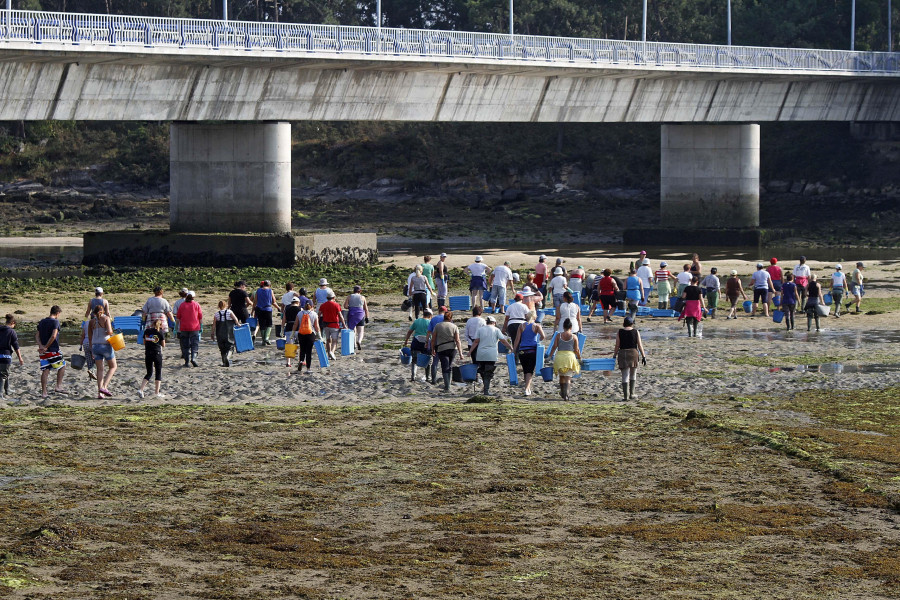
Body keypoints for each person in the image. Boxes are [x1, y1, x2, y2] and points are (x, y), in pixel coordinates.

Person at [469, 315, 512, 396]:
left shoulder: (480, 330)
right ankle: (486, 390)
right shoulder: (496, 330)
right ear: (494, 323)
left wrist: (470, 351)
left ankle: (485, 387)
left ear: (486, 322)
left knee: (482, 370)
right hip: (491, 354)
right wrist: (510, 347)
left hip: (481, 353)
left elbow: (476, 342)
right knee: (488, 372)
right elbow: (503, 341)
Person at [613, 317, 646, 401]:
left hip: (623, 353)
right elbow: (640, 345)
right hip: (633, 353)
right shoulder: (636, 332)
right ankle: (632, 393)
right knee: (633, 373)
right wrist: (643, 356)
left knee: (625, 375)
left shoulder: (619, 332)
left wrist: (614, 355)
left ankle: (625, 396)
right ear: (632, 323)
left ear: (624, 323)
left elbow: (617, 345)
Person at [513, 311, 545, 397]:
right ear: (535, 317)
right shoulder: (537, 326)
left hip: (522, 351)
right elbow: (543, 336)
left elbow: (517, 340)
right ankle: (526, 389)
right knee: (529, 371)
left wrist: (514, 350)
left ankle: (528, 388)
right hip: (532, 350)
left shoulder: (521, 326)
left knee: (525, 370)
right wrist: (538, 340)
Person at [36, 305, 66, 398]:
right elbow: (53, 336)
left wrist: (41, 346)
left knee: (45, 370)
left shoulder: (42, 322)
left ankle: (44, 392)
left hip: (43, 351)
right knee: (62, 366)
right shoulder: (55, 322)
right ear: (57, 313)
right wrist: (46, 347)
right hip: (52, 349)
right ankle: (58, 386)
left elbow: (37, 335)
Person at [548, 318, 581, 400]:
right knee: (568, 377)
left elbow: (554, 347)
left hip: (560, 356)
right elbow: (576, 349)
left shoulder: (558, 335)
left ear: (563, 327)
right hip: (569, 357)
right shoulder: (574, 336)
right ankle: (566, 394)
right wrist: (579, 358)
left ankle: (563, 393)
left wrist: (550, 356)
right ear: (571, 327)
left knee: (561, 376)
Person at [431, 310, 464, 392]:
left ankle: (447, 386)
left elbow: (433, 340)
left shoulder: (438, 326)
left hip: (442, 348)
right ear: (451, 318)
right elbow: (457, 340)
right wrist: (460, 353)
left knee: (445, 366)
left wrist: (432, 349)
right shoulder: (454, 326)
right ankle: (448, 384)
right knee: (449, 365)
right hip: (453, 348)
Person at [87, 304, 115, 399]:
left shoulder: (91, 322)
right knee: (113, 366)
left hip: (95, 345)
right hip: (105, 344)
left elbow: (90, 337)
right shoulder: (106, 318)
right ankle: (104, 387)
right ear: (102, 311)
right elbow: (110, 331)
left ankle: (100, 393)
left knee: (100, 369)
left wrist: (91, 349)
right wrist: (109, 332)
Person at [138, 317, 166, 398]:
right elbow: (163, 345)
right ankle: (157, 392)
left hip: (148, 353)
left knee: (149, 372)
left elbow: (144, 342)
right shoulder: (160, 332)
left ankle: (141, 389)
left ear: (153, 324)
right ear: (160, 325)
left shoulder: (147, 331)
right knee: (158, 372)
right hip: (157, 353)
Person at [404, 307, 432, 382]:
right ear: (430, 315)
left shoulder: (417, 321)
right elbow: (432, 335)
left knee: (414, 360)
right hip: (426, 342)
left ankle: (413, 376)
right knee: (428, 360)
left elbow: (410, 331)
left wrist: (406, 340)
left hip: (416, 342)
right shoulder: (430, 323)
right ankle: (427, 377)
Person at [292, 300, 321, 374]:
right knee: (309, 351)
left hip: (301, 333)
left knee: (302, 349)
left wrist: (293, 333)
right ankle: (308, 368)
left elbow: (296, 324)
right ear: (311, 306)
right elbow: (316, 326)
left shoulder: (300, 313)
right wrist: (319, 335)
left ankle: (301, 361)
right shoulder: (314, 314)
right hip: (310, 334)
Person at [0, 314, 24, 399]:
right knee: (3, 375)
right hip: (5, 355)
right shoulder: (11, 332)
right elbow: (16, 346)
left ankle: (7, 389)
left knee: (5, 372)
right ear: (12, 323)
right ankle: (0, 394)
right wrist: (20, 358)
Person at [176, 291, 203, 367]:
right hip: (195, 327)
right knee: (194, 343)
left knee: (185, 345)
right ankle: (193, 358)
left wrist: (176, 328)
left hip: (184, 328)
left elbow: (178, 318)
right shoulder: (197, 305)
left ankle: (187, 361)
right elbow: (200, 317)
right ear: (193, 297)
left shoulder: (182, 305)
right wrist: (201, 326)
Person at [318, 291, 346, 360]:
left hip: (326, 325)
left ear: (327, 298)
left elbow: (318, 315)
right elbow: (340, 316)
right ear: (333, 297)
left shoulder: (323, 305)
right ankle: (332, 352)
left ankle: (329, 354)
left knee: (328, 340)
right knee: (334, 340)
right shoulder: (336, 305)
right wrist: (344, 324)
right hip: (334, 325)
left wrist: (317, 323)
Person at [212, 300, 241, 367]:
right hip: (229, 333)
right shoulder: (229, 312)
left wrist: (212, 333)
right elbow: (235, 319)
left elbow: (214, 325)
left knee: (222, 348)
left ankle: (224, 362)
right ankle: (227, 357)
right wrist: (238, 324)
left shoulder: (216, 314)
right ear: (226, 305)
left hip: (219, 333)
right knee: (230, 347)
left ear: (218, 306)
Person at [425, 306, 448, 384]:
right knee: (445, 362)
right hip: (445, 342)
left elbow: (428, 332)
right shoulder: (447, 319)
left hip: (435, 342)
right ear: (445, 312)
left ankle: (433, 380)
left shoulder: (433, 319)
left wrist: (426, 342)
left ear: (439, 311)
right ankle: (447, 381)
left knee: (435, 362)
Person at [252, 280, 276, 345]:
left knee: (262, 324)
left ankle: (263, 341)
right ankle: (266, 338)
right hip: (268, 309)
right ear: (269, 285)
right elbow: (274, 300)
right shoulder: (270, 291)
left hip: (259, 309)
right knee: (269, 324)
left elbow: (255, 301)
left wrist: (253, 309)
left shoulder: (258, 290)